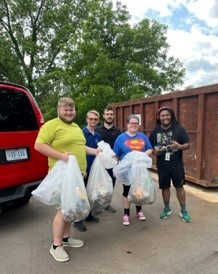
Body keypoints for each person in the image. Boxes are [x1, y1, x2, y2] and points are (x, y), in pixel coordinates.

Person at [34, 97, 99, 262]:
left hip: (78, 176)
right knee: (63, 210)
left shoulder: (76, 127)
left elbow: (79, 147)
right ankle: (56, 245)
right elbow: (39, 145)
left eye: (71, 109)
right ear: (59, 110)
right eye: (66, 109)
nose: (69, 112)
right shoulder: (51, 125)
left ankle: (66, 238)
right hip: (63, 177)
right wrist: (61, 156)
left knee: (71, 208)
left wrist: (95, 151)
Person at [149, 107, 191, 223]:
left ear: (171, 116)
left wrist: (179, 146)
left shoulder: (179, 129)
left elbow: (187, 145)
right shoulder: (155, 131)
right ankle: (167, 208)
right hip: (162, 166)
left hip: (176, 165)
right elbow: (151, 148)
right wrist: (154, 152)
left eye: (167, 115)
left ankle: (183, 210)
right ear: (159, 117)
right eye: (163, 116)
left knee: (179, 187)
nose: (165, 117)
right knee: (165, 188)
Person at [113, 114, 153, 226]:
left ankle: (139, 211)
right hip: (127, 172)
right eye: (131, 123)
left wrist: (142, 155)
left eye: (136, 123)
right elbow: (115, 155)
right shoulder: (120, 138)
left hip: (140, 171)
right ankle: (126, 214)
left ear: (138, 125)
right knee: (127, 191)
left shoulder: (142, 137)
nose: (134, 125)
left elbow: (150, 149)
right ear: (127, 124)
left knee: (139, 190)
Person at [73, 110, 101, 232]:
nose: (93, 121)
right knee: (80, 194)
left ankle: (88, 214)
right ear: (87, 119)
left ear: (98, 120)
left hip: (93, 169)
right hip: (82, 168)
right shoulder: (81, 133)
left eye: (95, 119)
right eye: (91, 119)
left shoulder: (98, 135)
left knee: (89, 193)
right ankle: (77, 220)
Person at [96, 105, 121, 213]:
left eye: (111, 114)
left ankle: (107, 204)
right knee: (99, 184)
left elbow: (120, 146)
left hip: (113, 162)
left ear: (114, 116)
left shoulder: (118, 131)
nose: (109, 116)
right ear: (103, 116)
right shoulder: (97, 130)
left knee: (111, 182)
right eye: (107, 114)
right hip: (100, 163)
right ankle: (97, 206)